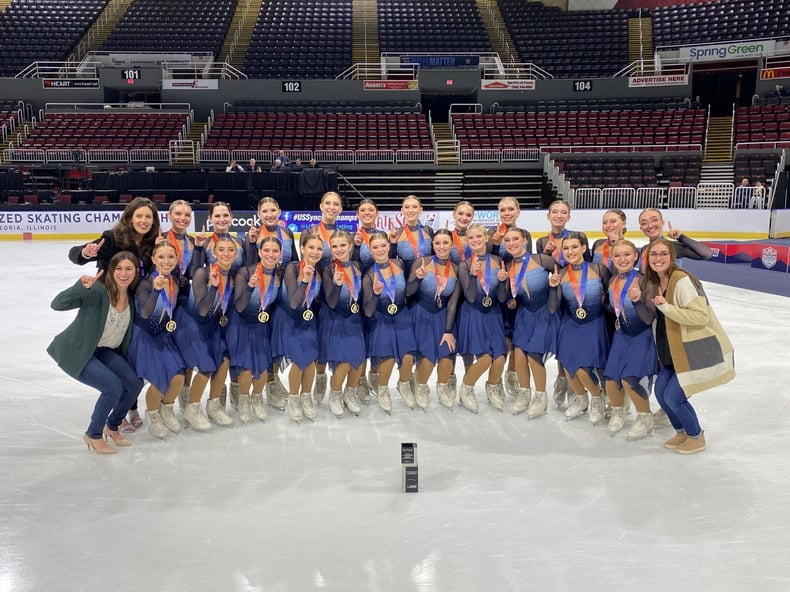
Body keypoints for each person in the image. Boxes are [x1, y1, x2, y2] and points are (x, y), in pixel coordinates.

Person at [69, 196, 160, 431]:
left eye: (148, 217)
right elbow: (76, 254)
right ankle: (117, 411)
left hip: (133, 307)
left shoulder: (151, 245)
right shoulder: (112, 238)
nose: (143, 220)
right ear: (129, 217)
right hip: (108, 305)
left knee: (128, 356)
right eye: (139, 215)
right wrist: (86, 253)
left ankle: (129, 406)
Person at [640, 238, 735, 454]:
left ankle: (695, 435)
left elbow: (700, 316)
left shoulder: (681, 280)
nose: (658, 259)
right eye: (653, 255)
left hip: (688, 349)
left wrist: (667, 308)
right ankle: (681, 431)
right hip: (669, 350)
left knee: (674, 396)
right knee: (661, 393)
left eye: (663, 254)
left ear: (672, 257)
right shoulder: (654, 282)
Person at [47, 252, 143, 454]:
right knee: (113, 387)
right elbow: (57, 304)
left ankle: (113, 425)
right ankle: (94, 434)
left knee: (134, 384)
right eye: (119, 269)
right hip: (80, 351)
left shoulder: (132, 298)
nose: (123, 273)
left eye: (129, 269)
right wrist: (80, 287)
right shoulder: (97, 291)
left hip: (105, 352)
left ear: (136, 272)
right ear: (110, 271)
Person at [174, 236, 238, 430]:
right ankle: (192, 409)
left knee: (224, 361)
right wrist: (213, 286)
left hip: (212, 325)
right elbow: (202, 308)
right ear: (214, 253)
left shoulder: (234, 276)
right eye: (221, 250)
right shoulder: (203, 273)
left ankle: (213, 405)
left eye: (230, 250)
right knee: (206, 366)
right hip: (191, 323)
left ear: (236, 254)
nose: (226, 254)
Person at [547, 231, 611, 424]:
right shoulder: (561, 274)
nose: (570, 251)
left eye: (574, 247)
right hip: (571, 324)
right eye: (566, 248)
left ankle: (597, 398)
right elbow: (553, 307)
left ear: (584, 248)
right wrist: (553, 287)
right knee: (567, 365)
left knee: (583, 368)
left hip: (594, 324)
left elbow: (611, 300)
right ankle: (581, 398)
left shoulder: (599, 269)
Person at [128, 242, 187, 438]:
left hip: (163, 335)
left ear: (177, 259)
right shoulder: (145, 283)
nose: (166, 261)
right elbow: (145, 313)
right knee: (157, 379)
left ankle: (166, 409)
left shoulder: (175, 282)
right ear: (153, 259)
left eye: (171, 257)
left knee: (178, 377)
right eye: (161, 257)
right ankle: (152, 415)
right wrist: (154, 290)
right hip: (145, 337)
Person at [602, 239, 657, 440]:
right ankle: (618, 410)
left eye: (627, 254)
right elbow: (613, 308)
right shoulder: (612, 282)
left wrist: (636, 302)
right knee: (610, 379)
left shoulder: (645, 281)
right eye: (617, 255)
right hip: (621, 335)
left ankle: (645, 418)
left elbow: (649, 317)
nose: (622, 259)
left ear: (635, 256)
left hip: (642, 336)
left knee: (630, 380)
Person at [501, 227, 556, 418]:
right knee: (519, 353)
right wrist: (502, 282)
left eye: (515, 239)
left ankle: (541, 397)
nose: (511, 243)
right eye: (507, 240)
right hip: (524, 314)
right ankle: (525, 393)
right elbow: (506, 295)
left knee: (534, 355)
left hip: (543, 313)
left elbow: (564, 276)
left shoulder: (542, 260)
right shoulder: (508, 267)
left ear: (524, 239)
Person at [269, 234, 324, 422]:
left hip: (308, 320)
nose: (315, 252)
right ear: (302, 248)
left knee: (309, 361)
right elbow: (293, 302)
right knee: (300, 361)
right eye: (311, 248)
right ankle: (294, 398)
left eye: (319, 249)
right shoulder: (292, 268)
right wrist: (304, 281)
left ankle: (306, 396)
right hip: (288, 319)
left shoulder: (320, 271)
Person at [405, 229, 461, 411]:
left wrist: (448, 330)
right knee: (427, 358)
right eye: (437, 243)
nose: (441, 247)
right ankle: (421, 386)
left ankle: (442, 386)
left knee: (447, 355)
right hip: (420, 314)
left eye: (445, 243)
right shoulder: (421, 263)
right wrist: (418, 280)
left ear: (451, 245)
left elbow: (452, 303)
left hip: (443, 316)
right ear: (433, 245)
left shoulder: (456, 269)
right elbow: (408, 293)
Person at [362, 231, 418, 413]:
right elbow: (368, 310)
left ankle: (403, 384)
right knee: (388, 358)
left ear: (389, 246)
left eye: (383, 246)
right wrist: (376, 294)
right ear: (370, 250)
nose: (380, 250)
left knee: (408, 355)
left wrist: (418, 277)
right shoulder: (369, 275)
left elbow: (408, 291)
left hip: (401, 314)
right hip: (380, 317)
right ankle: (383, 389)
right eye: (375, 247)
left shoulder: (399, 264)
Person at [229, 236, 282, 423]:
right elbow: (240, 305)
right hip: (242, 323)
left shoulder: (279, 275)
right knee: (246, 366)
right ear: (259, 252)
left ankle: (257, 399)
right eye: (266, 250)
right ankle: (244, 401)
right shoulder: (245, 271)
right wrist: (251, 286)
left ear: (280, 254)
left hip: (261, 324)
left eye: (275, 251)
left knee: (262, 367)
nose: (270, 254)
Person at [456, 223, 507, 413]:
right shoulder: (464, 265)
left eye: (479, 237)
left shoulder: (498, 260)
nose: (475, 241)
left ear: (486, 238)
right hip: (473, 314)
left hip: (493, 313)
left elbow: (502, 297)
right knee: (485, 359)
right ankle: (466, 390)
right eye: (471, 238)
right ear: (467, 242)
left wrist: (503, 282)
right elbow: (469, 296)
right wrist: (473, 275)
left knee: (500, 358)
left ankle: (492, 387)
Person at [302, 190, 344, 403]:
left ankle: (323, 375)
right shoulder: (310, 231)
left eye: (336, 204)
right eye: (328, 203)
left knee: (328, 338)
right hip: (312, 292)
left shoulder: (343, 234)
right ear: (320, 206)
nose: (331, 207)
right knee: (312, 339)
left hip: (333, 292)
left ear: (341, 209)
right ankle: (316, 376)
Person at [321, 230, 366, 418]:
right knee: (346, 360)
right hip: (336, 318)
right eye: (335, 246)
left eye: (342, 245)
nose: (339, 249)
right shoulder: (329, 269)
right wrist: (337, 284)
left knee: (360, 359)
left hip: (355, 318)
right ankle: (336, 394)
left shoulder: (357, 265)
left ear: (350, 246)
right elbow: (331, 302)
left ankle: (350, 391)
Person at [389, 194, 434, 278]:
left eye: (414, 207)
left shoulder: (428, 231)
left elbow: (435, 257)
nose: (410, 210)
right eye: (407, 207)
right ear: (402, 210)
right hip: (406, 278)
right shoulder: (397, 233)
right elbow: (390, 260)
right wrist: (392, 243)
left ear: (421, 210)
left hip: (426, 277)